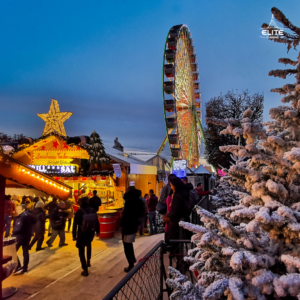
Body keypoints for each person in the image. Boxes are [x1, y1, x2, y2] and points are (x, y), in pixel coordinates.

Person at [73, 197, 100, 277]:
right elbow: (96, 221)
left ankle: (85, 269)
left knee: (81, 251)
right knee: (88, 244)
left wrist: (74, 235)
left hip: (82, 233)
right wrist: (98, 231)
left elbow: (75, 224)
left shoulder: (79, 212)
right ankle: (88, 260)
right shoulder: (92, 210)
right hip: (91, 232)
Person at [121, 186, 144, 272]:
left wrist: (122, 223)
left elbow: (126, 216)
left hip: (128, 226)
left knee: (127, 246)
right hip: (133, 225)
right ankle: (132, 260)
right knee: (129, 244)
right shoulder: (138, 201)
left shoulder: (129, 202)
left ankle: (131, 264)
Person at [162, 177, 190, 242]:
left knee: (175, 242)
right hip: (178, 222)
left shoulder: (177, 196)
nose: (171, 187)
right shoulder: (180, 194)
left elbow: (176, 211)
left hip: (176, 224)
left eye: (171, 185)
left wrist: (168, 214)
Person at [12, 204, 37, 274]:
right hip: (27, 236)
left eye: (18, 209)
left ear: (23, 210)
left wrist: (13, 234)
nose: (17, 211)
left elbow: (18, 228)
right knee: (25, 251)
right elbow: (34, 222)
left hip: (20, 236)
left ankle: (18, 266)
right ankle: (25, 268)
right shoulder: (30, 215)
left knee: (12, 251)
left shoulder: (22, 217)